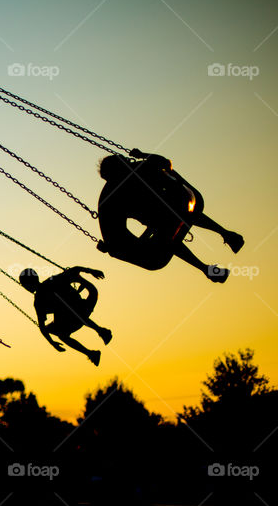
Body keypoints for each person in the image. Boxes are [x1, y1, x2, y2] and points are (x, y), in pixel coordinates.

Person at [97, 149, 244, 282]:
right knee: (167, 231)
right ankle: (221, 245)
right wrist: (111, 246)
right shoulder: (118, 194)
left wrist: (142, 156)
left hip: (169, 214)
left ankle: (215, 254)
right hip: (153, 240)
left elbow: (165, 164)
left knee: (170, 224)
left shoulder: (134, 175)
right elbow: (165, 163)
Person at [19, 267, 112, 366]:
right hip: (79, 309)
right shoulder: (49, 285)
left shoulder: (40, 299)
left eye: (24, 285)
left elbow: (41, 326)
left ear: (27, 285)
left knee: (69, 312)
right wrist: (92, 271)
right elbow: (75, 269)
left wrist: (52, 343)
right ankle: (92, 352)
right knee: (60, 332)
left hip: (82, 306)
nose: (25, 288)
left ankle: (101, 332)